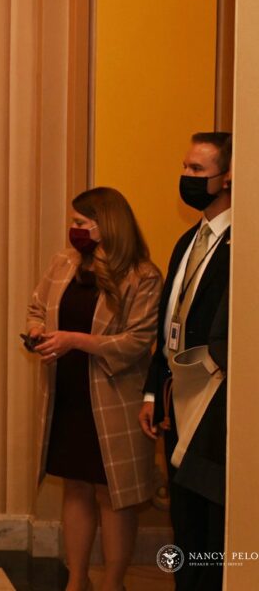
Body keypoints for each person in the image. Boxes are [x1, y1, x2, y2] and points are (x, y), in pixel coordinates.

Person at [26, 187, 161, 591]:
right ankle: (77, 579)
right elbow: (37, 306)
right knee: (76, 485)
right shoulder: (63, 263)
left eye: (82, 223)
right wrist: (36, 331)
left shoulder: (143, 275)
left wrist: (75, 341)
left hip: (114, 399)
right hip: (68, 395)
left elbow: (138, 342)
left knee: (112, 494)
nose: (74, 229)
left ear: (106, 227)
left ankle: (112, 582)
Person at [139, 132, 232, 590]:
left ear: (228, 177)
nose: (186, 177)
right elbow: (167, 327)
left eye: (198, 170)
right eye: (185, 167)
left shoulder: (244, 245)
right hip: (176, 403)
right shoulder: (186, 241)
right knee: (183, 521)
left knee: (212, 531)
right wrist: (154, 392)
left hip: (217, 410)